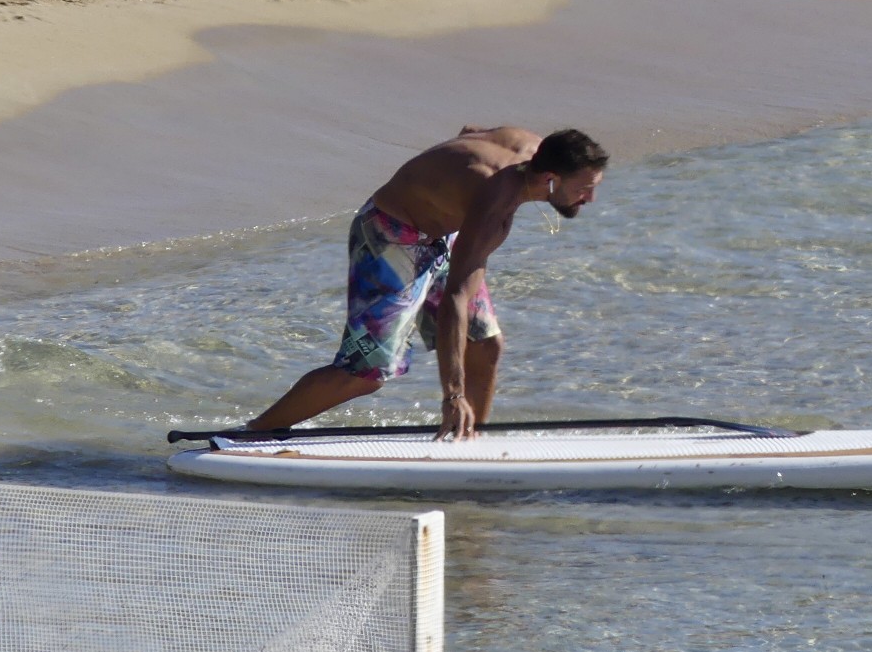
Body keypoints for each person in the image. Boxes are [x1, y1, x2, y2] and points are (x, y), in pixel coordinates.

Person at [248, 126, 610, 439]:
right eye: (585, 189)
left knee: (485, 344)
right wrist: (452, 394)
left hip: (443, 235)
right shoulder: (494, 200)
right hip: (390, 235)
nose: (590, 198)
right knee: (367, 372)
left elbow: (470, 131)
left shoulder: (534, 148)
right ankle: (254, 432)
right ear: (550, 179)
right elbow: (456, 297)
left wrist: (441, 183)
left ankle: (467, 440)